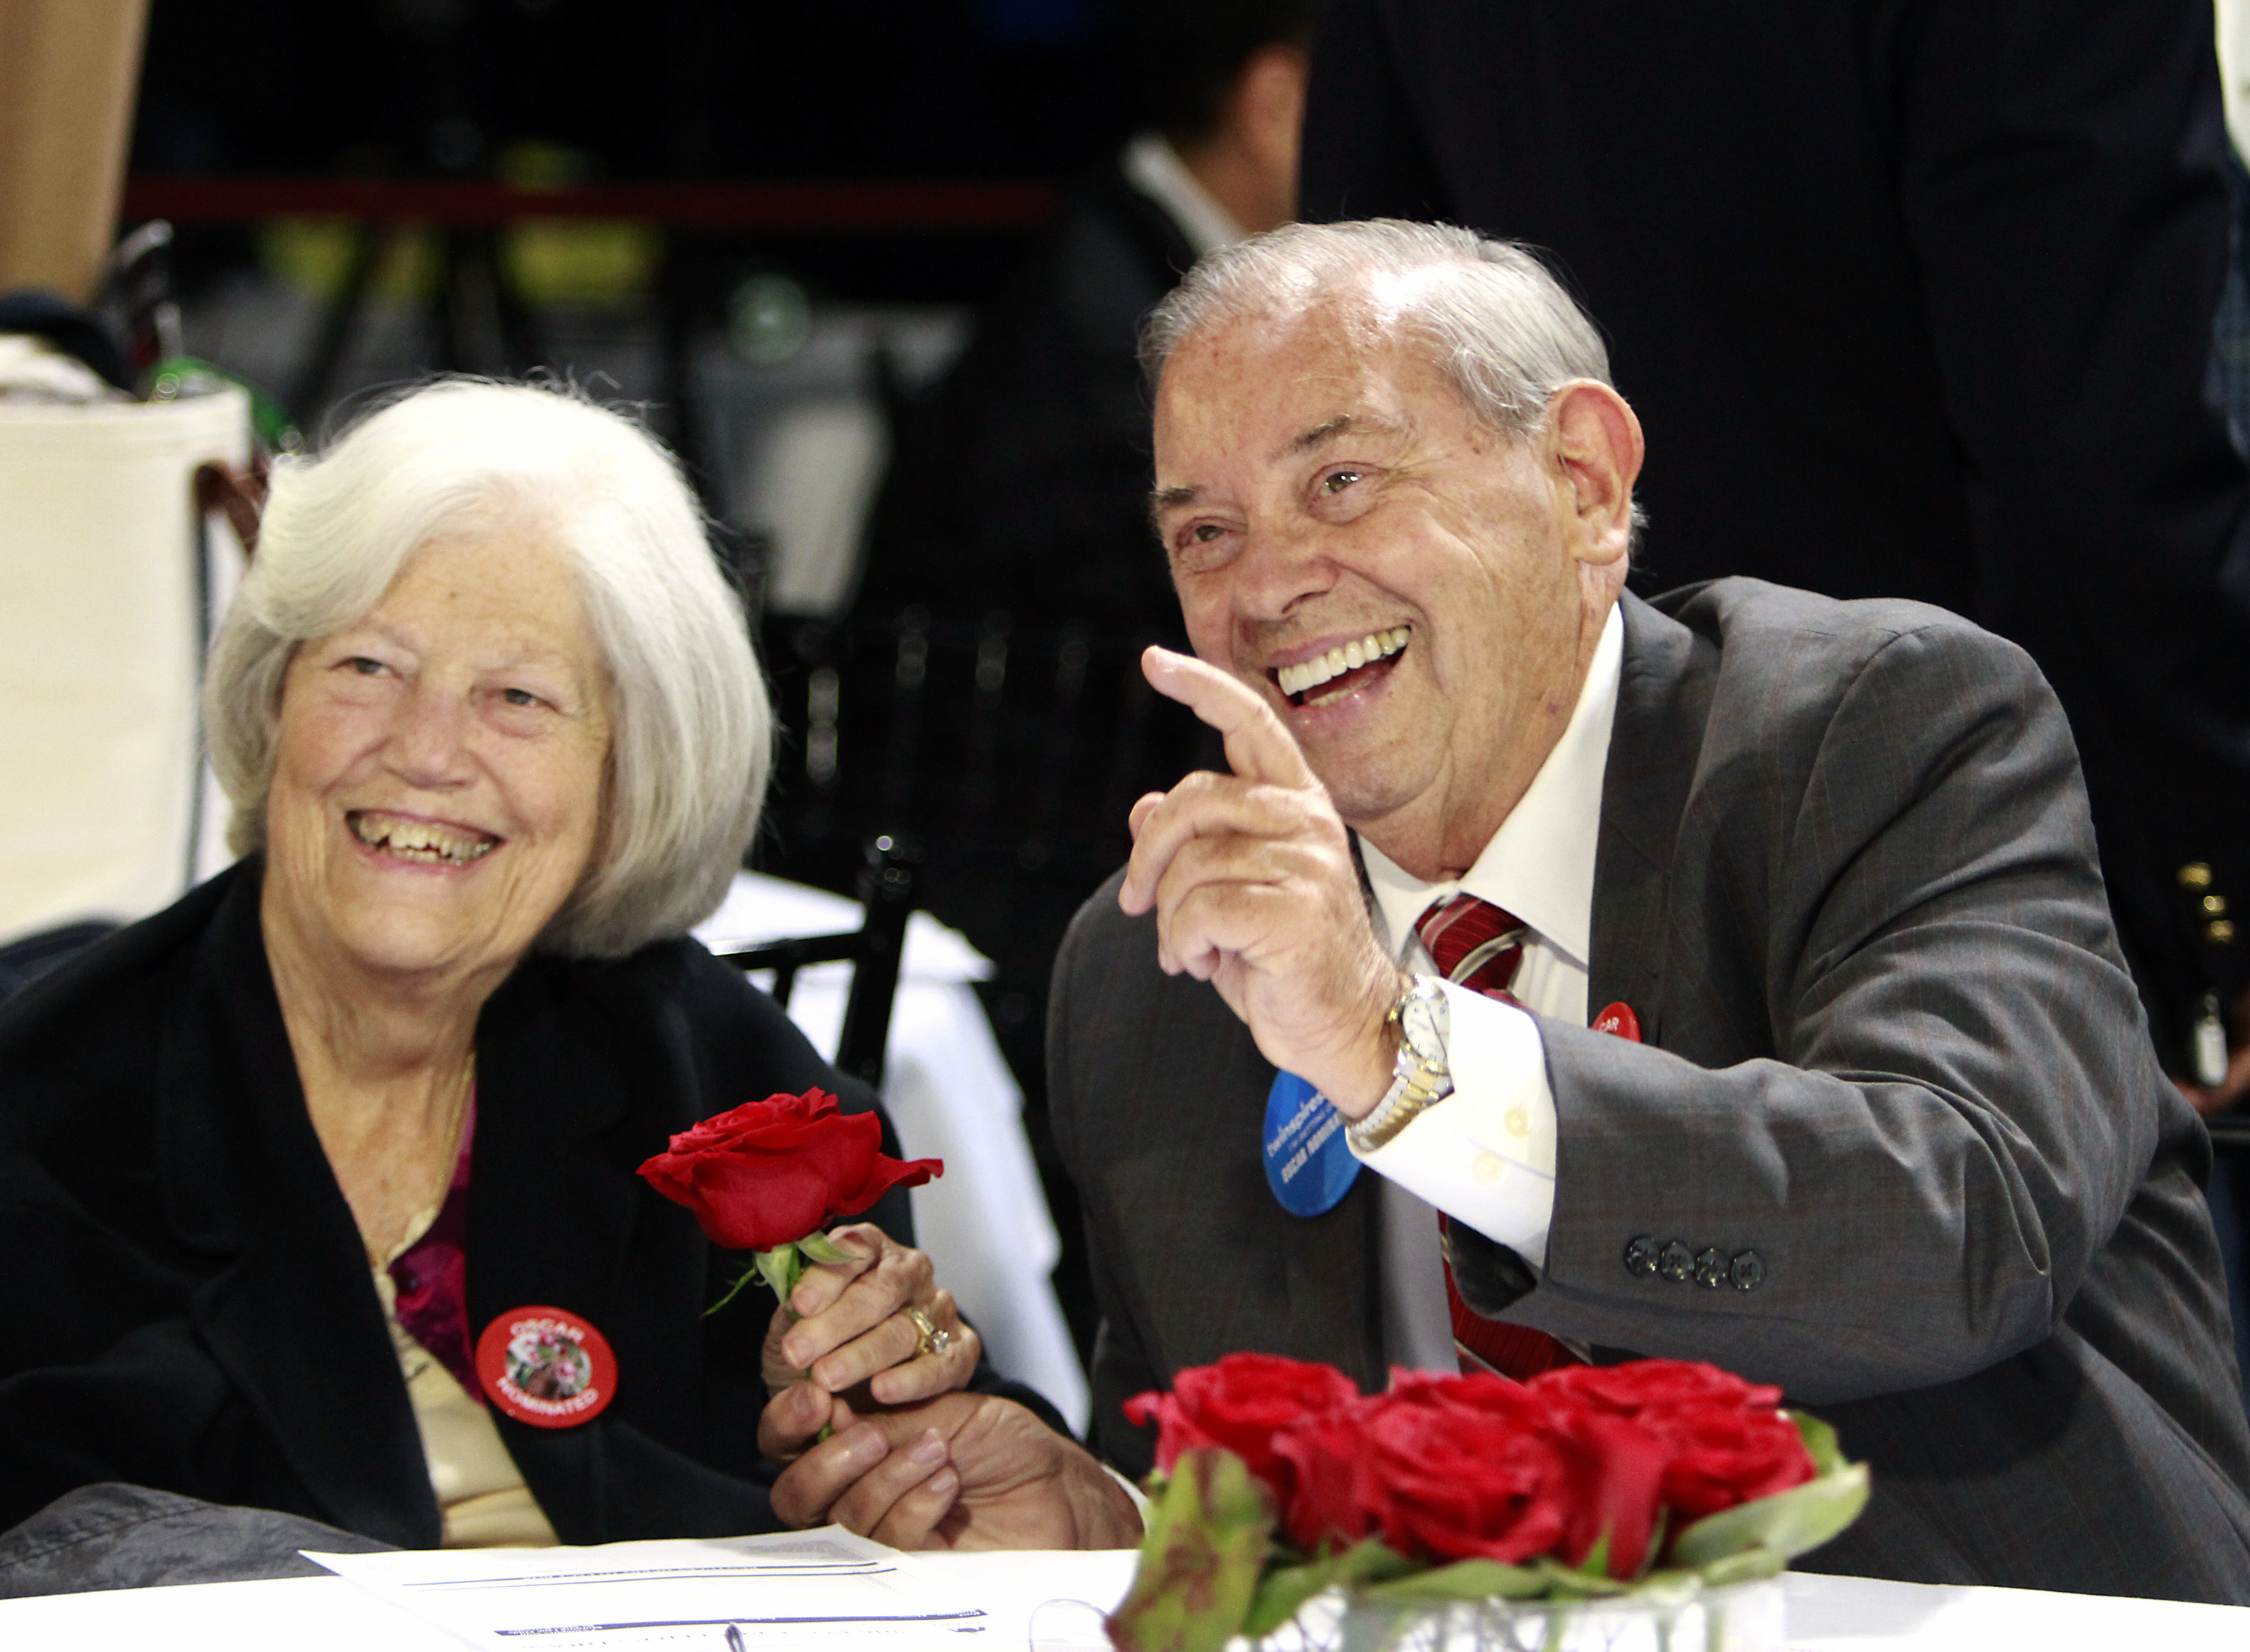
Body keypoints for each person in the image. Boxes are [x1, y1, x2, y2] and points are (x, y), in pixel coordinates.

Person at [1047, 221, 2250, 1600]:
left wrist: (1400, 1054)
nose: (1264, 589)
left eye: (1342, 480)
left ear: (1583, 485)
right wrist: (1105, 1523)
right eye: (1205, 532)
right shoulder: (1159, 966)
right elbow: (1236, 1512)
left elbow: (1960, 1223)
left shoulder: (1880, 733)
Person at [0, 381, 1138, 1577]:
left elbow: (956, 1487)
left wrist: (960, 1474)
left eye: (520, 698)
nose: (428, 751)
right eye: (371, 666)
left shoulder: (717, 1089)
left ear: (629, 779)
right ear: (274, 699)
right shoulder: (52, 1111)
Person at [1293, 0, 2250, 1116]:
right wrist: (2208, 901)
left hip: (1561, 893)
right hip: (1985, 899)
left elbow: (1361, 331)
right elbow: (2096, 464)